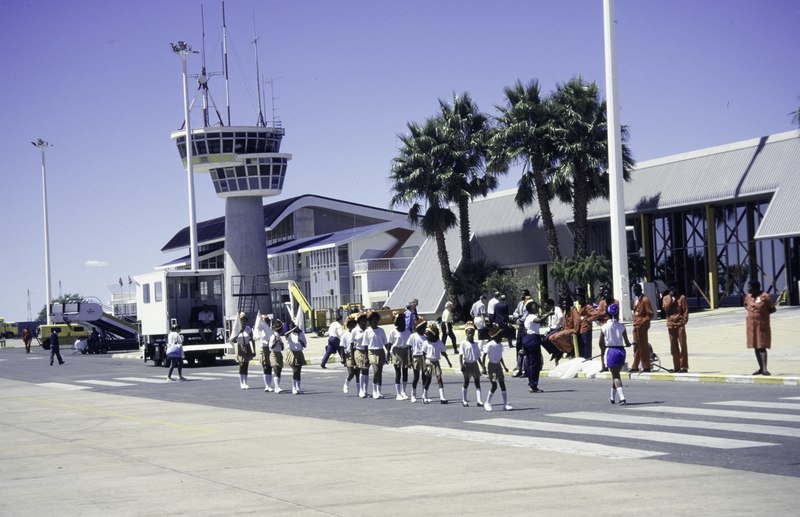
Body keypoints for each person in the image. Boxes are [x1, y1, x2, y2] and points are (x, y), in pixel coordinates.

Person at [601, 304, 632, 404]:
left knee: (616, 376)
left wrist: (603, 350)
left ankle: (622, 398)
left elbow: (601, 343)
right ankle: (612, 398)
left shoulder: (604, 327)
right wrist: (629, 344)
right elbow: (627, 342)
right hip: (621, 351)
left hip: (611, 351)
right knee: (616, 375)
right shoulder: (622, 326)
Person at [744, 280, 776, 376]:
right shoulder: (748, 297)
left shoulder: (765, 297)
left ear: (755, 288)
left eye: (750, 287)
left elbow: (772, 309)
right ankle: (760, 368)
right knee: (755, 346)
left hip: (761, 325)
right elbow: (746, 306)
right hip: (751, 325)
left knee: (762, 346)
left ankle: (765, 369)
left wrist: (761, 314)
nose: (748, 289)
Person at [522, 300, 550, 393]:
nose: (537, 308)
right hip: (532, 340)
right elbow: (540, 320)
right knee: (535, 363)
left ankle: (531, 384)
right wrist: (549, 314)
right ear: (530, 308)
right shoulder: (532, 316)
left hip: (528, 339)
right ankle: (533, 385)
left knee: (530, 363)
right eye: (535, 307)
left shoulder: (527, 317)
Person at [481, 326, 511, 411]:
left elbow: (500, 357)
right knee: (494, 385)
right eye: (500, 335)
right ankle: (487, 403)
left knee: (502, 384)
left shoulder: (500, 345)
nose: (501, 337)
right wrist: (483, 367)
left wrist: (504, 366)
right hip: (491, 366)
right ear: (495, 336)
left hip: (498, 366)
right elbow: (484, 355)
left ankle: (505, 404)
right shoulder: (490, 345)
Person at [421, 324, 452, 404]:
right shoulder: (425, 343)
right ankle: (424, 396)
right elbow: (423, 355)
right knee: (428, 380)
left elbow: (443, 352)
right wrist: (424, 365)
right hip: (428, 362)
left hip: (436, 362)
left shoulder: (439, 343)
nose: (426, 337)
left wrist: (448, 361)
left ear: (433, 334)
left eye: (427, 335)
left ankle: (442, 397)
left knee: (439, 378)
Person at [663, 284, 689, 373]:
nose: (673, 290)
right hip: (671, 324)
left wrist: (683, 321)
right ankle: (676, 366)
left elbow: (685, 310)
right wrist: (670, 298)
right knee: (673, 346)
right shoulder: (666, 298)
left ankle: (683, 366)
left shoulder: (682, 297)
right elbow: (665, 309)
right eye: (671, 288)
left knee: (683, 345)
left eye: (675, 288)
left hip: (680, 324)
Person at [594, 285, 620, 372]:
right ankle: (603, 366)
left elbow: (616, 313)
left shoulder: (615, 302)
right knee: (602, 345)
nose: (606, 295)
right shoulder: (602, 303)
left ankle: (613, 364)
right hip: (603, 326)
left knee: (613, 346)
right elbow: (598, 314)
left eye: (608, 293)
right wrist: (606, 311)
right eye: (605, 294)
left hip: (613, 325)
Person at [629, 284, 654, 372]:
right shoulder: (635, 300)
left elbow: (650, 314)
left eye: (637, 290)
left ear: (641, 289)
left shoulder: (645, 300)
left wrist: (642, 322)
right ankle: (635, 366)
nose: (635, 291)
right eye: (634, 290)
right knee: (636, 346)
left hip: (642, 327)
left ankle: (646, 366)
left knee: (643, 347)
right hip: (636, 326)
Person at [364, 311, 389, 399]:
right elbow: (365, 345)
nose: (374, 321)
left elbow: (385, 342)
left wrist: (388, 352)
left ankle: (379, 391)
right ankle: (374, 391)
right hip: (372, 352)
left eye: (376, 319)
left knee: (380, 372)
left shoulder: (381, 330)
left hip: (380, 351)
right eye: (372, 320)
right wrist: (366, 357)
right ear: (370, 321)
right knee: (376, 371)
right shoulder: (367, 331)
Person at [458, 322, 483, 407]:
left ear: (474, 334)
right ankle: (464, 400)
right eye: (469, 333)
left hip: (474, 364)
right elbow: (461, 355)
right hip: (467, 364)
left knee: (477, 382)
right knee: (466, 382)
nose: (470, 335)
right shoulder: (463, 343)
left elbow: (478, 356)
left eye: (472, 333)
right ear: (466, 333)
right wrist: (461, 365)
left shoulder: (476, 345)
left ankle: (479, 400)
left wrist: (482, 366)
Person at [388, 311, 411, 400]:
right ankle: (398, 393)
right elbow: (390, 343)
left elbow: (409, 345)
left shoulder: (407, 332)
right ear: (397, 322)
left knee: (405, 372)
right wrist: (388, 354)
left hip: (405, 351)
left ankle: (403, 391)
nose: (403, 323)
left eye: (404, 321)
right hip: (396, 352)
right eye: (401, 321)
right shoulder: (393, 332)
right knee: (398, 373)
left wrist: (411, 356)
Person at [232, 312, 254, 389]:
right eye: (242, 320)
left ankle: (245, 382)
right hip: (240, 347)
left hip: (247, 346)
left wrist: (253, 350)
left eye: (244, 320)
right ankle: (241, 383)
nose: (243, 321)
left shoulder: (248, 329)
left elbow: (252, 339)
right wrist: (238, 333)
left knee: (246, 365)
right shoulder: (236, 329)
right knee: (241, 365)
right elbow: (233, 340)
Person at [408, 317, 427, 403]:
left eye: (424, 328)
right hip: (416, 357)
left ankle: (424, 395)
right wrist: (409, 360)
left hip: (424, 357)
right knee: (416, 377)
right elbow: (409, 348)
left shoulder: (426, 337)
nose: (423, 330)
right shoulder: (413, 336)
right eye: (422, 328)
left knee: (424, 376)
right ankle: (413, 394)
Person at [351, 312, 370, 398]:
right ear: (358, 322)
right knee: (362, 369)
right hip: (359, 351)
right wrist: (352, 358)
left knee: (367, 371)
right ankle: (361, 390)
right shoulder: (355, 331)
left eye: (364, 320)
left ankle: (366, 390)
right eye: (361, 320)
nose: (363, 322)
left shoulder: (368, 330)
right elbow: (351, 344)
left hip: (368, 351)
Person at [285, 320, 307, 394]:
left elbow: (305, 345)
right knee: (295, 370)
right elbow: (285, 335)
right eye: (290, 327)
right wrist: (292, 330)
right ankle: (293, 387)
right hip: (292, 353)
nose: (291, 327)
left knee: (299, 370)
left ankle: (298, 387)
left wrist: (301, 341)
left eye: (292, 326)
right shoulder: (289, 334)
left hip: (299, 353)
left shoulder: (301, 334)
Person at [575, 288, 597, 361]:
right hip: (579, 330)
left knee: (587, 348)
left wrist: (588, 320)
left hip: (586, 330)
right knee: (581, 348)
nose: (579, 300)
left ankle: (588, 361)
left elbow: (595, 314)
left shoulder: (588, 307)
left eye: (580, 298)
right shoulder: (578, 307)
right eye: (578, 299)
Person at [254, 314, 275, 391]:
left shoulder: (270, 330)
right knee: (265, 367)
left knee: (270, 367)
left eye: (267, 321)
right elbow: (256, 337)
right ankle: (267, 385)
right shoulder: (260, 331)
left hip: (270, 349)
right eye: (264, 321)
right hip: (264, 348)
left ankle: (269, 384)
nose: (266, 322)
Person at [341, 315, 360, 394]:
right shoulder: (345, 335)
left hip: (357, 354)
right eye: (350, 324)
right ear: (347, 326)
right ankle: (347, 382)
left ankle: (360, 390)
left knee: (358, 373)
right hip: (349, 355)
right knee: (351, 373)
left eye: (353, 324)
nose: (352, 326)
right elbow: (342, 347)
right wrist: (343, 358)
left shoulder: (357, 333)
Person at [268, 320, 285, 393]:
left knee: (279, 371)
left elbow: (282, 348)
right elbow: (271, 347)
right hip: (274, 354)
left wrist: (281, 343)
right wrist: (276, 342)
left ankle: (276, 386)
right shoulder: (273, 336)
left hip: (279, 353)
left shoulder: (279, 337)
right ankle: (277, 387)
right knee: (275, 369)